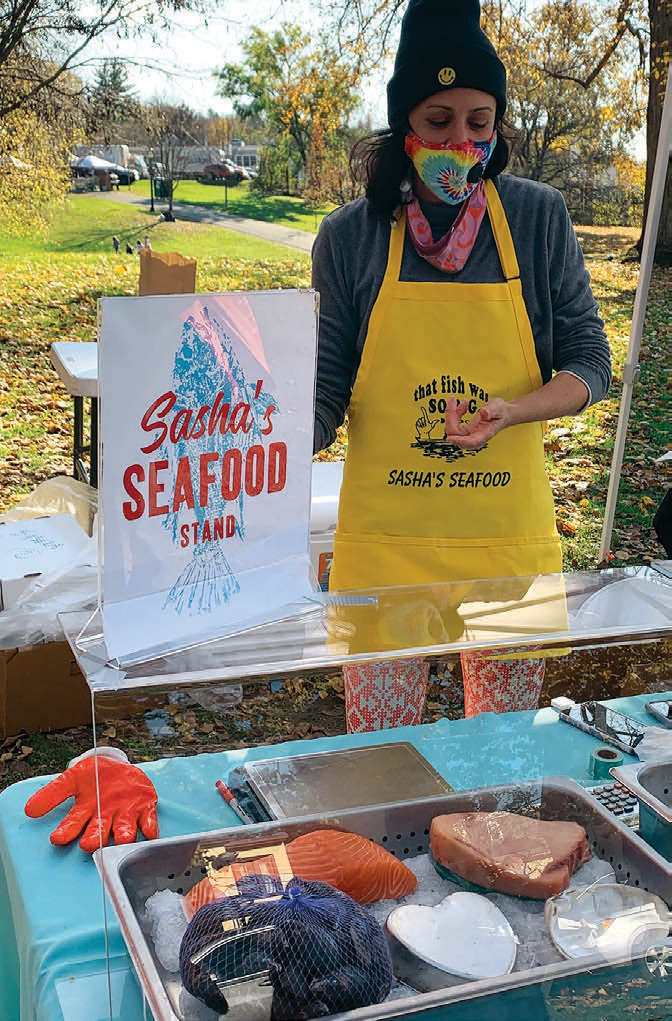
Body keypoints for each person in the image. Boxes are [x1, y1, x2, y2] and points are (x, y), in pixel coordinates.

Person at [311, 0, 612, 732]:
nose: (460, 140)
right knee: (381, 756)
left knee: (500, 754)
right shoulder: (350, 237)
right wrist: (256, 442)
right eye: (438, 120)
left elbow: (590, 360)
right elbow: (322, 390)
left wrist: (517, 409)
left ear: (497, 128)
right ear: (404, 124)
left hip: (506, 542)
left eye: (479, 123)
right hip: (386, 548)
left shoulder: (539, 219)